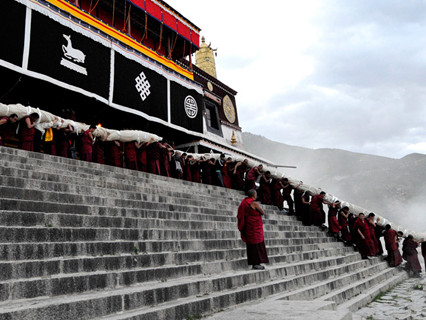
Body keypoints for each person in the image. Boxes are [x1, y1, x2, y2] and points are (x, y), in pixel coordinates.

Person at [237, 189, 269, 270]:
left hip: (249, 226)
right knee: (257, 245)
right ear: (253, 195)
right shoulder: (254, 203)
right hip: (255, 227)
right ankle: (256, 263)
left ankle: (254, 263)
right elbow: (262, 212)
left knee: (251, 245)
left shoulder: (244, 202)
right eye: (256, 194)